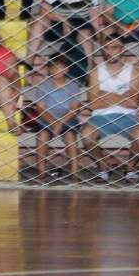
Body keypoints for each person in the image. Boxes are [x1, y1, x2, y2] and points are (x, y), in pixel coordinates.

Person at [81, 34, 139, 183]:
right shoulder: (96, 71)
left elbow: (133, 103)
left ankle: (129, 170)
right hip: (100, 117)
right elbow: (93, 104)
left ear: (122, 49)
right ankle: (104, 168)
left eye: (114, 47)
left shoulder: (133, 72)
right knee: (86, 135)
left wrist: (104, 95)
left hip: (127, 118)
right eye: (106, 48)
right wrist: (122, 97)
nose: (110, 51)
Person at [27, 0, 100, 67]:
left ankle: (91, 68)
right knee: (40, 19)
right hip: (58, 23)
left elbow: (94, 14)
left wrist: (98, 35)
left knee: (86, 34)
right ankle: (29, 60)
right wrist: (64, 20)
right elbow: (43, 10)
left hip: (80, 24)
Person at [33, 55, 82, 183]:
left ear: (66, 70)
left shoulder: (73, 85)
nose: (55, 70)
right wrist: (53, 122)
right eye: (52, 67)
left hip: (67, 116)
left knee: (71, 136)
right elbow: (40, 108)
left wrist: (60, 122)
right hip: (48, 116)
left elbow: (75, 109)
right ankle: (41, 170)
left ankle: (74, 171)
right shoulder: (44, 85)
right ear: (49, 69)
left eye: (59, 67)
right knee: (42, 136)